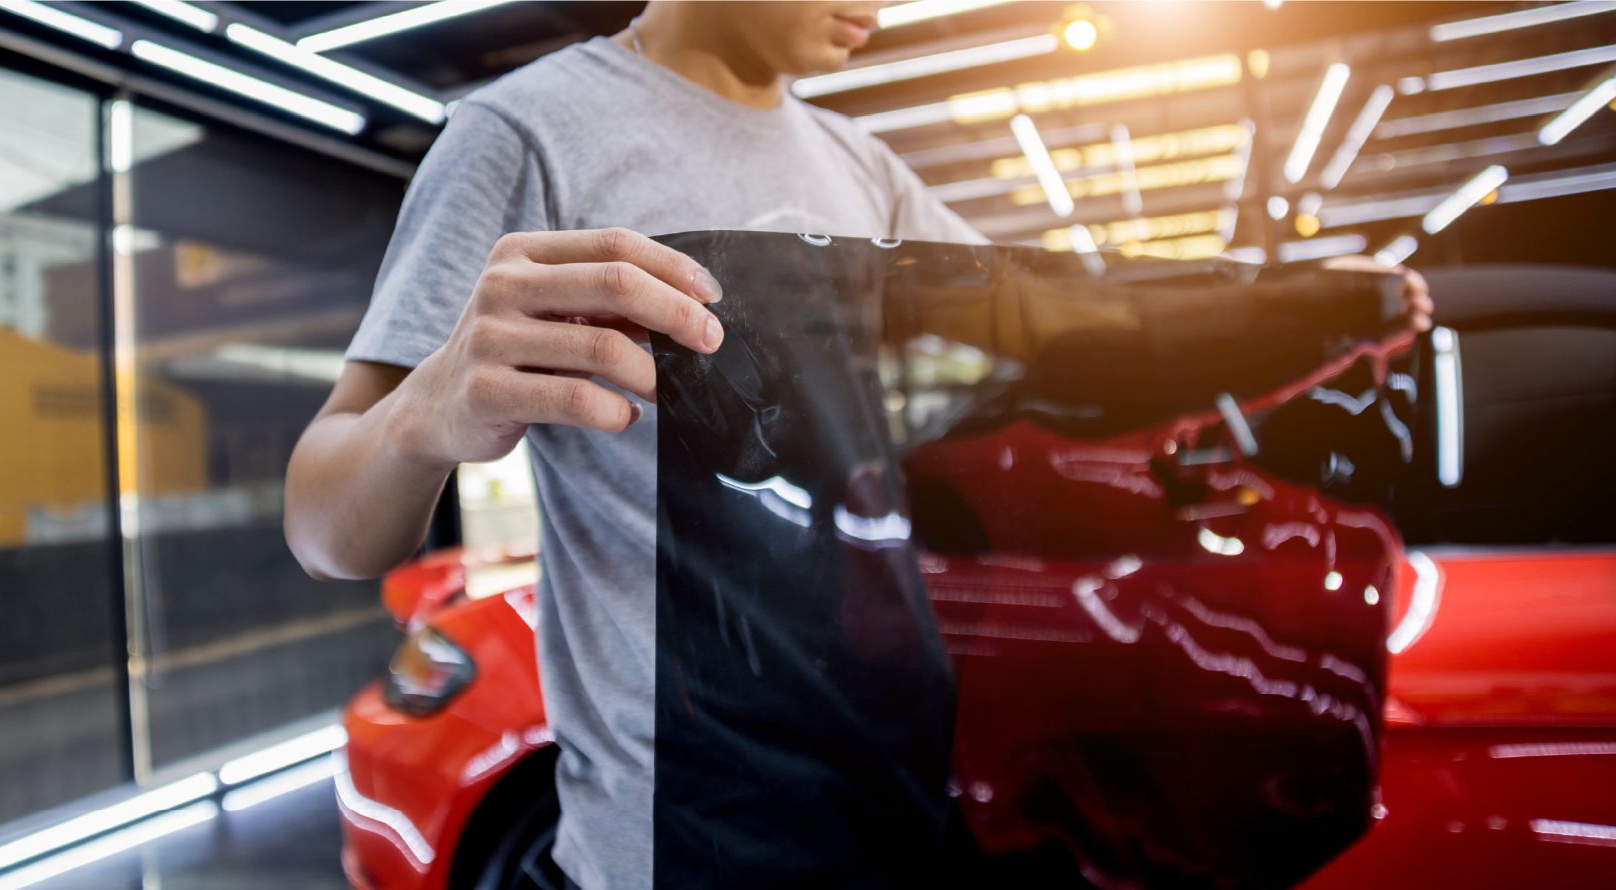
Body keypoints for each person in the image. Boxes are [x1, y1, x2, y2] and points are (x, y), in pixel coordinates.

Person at [283, 3, 1432, 888]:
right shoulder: (528, 135)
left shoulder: (860, 167)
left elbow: (1069, 354)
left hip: (893, 793)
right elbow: (326, 524)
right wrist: (428, 409)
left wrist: (1299, 316)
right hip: (687, 834)